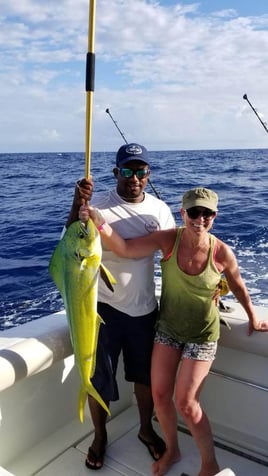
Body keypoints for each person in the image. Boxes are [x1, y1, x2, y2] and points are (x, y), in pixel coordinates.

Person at [83, 186, 268, 476]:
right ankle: (173, 449)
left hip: (202, 336)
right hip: (167, 330)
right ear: (182, 213)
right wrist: (97, 219)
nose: (200, 218)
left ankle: (210, 464)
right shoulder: (169, 240)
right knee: (159, 396)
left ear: (214, 217)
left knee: (186, 403)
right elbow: (126, 249)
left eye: (207, 213)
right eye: (194, 212)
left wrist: (253, 318)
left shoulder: (222, 253)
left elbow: (239, 286)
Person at [65, 143, 176, 470]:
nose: (134, 178)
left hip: (144, 311)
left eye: (140, 171)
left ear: (148, 175)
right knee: (99, 379)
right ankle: (100, 435)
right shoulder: (96, 205)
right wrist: (77, 202)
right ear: (116, 173)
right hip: (103, 312)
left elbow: (172, 258)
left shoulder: (159, 210)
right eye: (127, 171)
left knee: (145, 379)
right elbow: (71, 239)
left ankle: (145, 429)